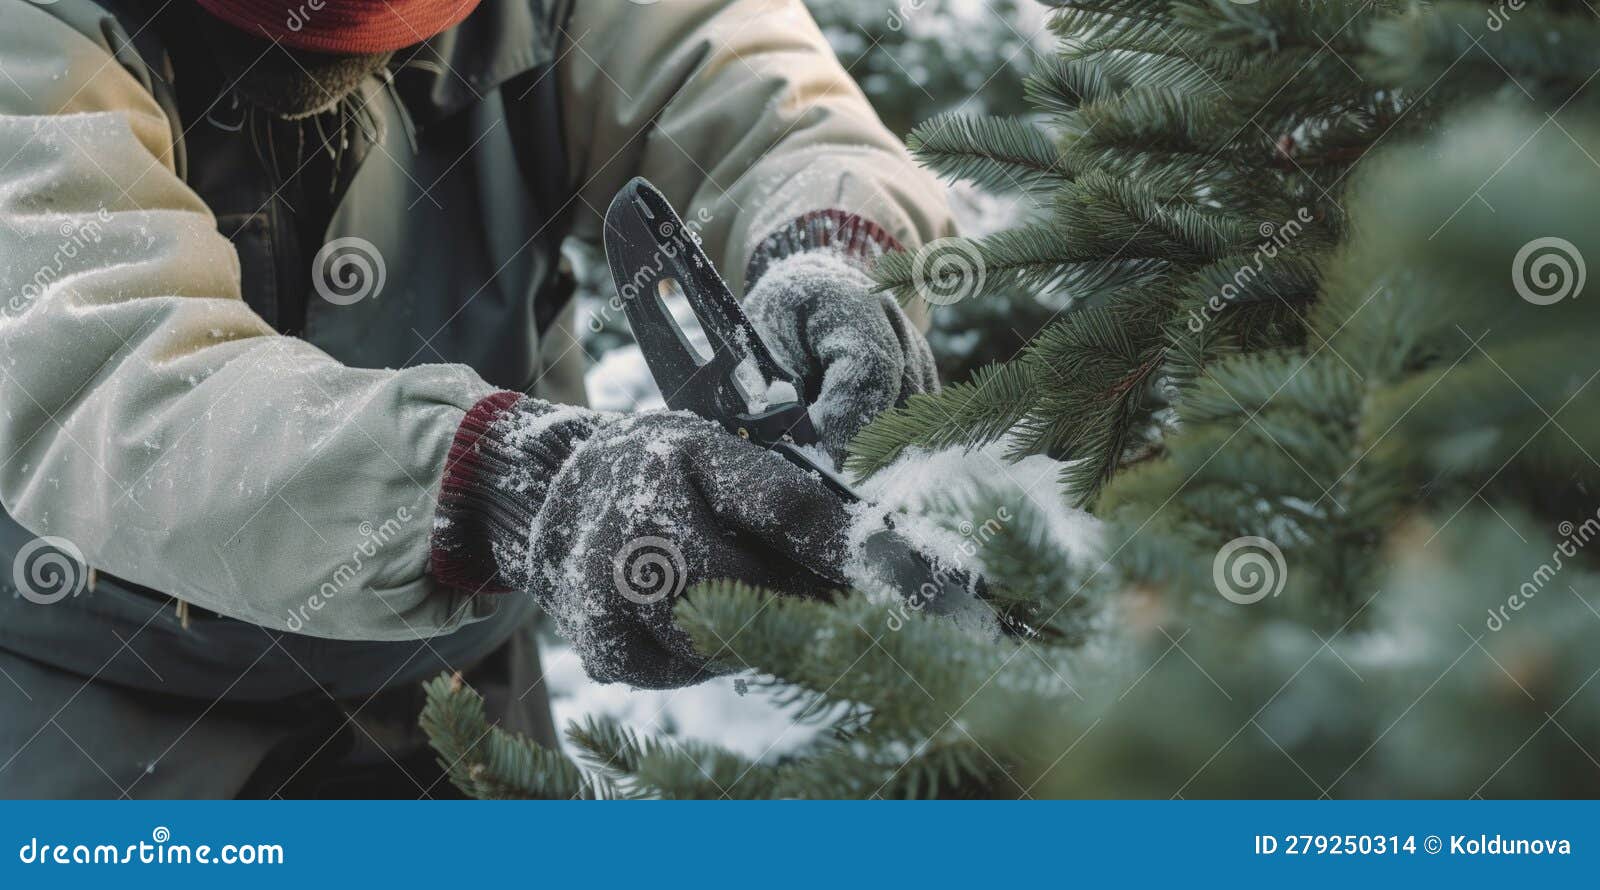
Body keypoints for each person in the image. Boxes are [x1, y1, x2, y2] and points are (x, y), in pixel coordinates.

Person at [0, 0, 952, 797]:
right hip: (102, 701)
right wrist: (507, 484)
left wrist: (832, 252)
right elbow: (101, 365)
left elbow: (761, 103)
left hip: (463, 689)